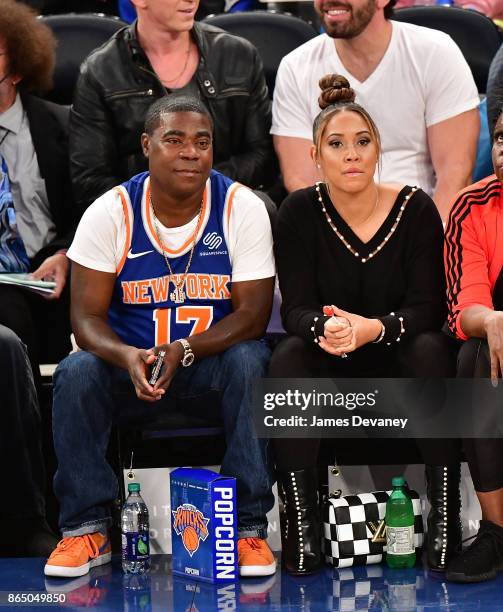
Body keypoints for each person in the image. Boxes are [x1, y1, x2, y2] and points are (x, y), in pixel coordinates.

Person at [44, 96, 277, 579]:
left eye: (202, 142)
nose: (191, 152)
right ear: (146, 145)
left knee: (252, 359)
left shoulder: (241, 206)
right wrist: (127, 355)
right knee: (76, 370)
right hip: (131, 373)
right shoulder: (111, 212)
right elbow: (85, 321)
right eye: (175, 140)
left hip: (205, 371)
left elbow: (253, 317)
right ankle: (86, 528)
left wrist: (186, 349)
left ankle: (247, 528)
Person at [270, 75, 458, 575]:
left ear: (378, 150)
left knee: (433, 349)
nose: (350, 154)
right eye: (336, 144)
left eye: (362, 142)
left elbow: (429, 307)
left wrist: (373, 328)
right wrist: (324, 330)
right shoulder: (297, 213)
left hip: (396, 353)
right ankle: (304, 530)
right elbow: (295, 309)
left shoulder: (414, 208)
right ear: (315, 156)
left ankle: (445, 521)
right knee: (287, 356)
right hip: (332, 360)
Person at [271, 0, 480, 220]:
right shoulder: (294, 67)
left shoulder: (436, 52)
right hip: (335, 231)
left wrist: (431, 239)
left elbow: (455, 173)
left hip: (420, 223)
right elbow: (301, 180)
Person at [70, 0, 276, 221]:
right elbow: (91, 181)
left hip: (226, 212)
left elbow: (262, 155)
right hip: (138, 220)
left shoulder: (238, 55)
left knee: (262, 206)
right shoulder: (100, 71)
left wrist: (199, 188)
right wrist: (163, 204)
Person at [0, 0, 74, 556]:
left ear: (18, 65)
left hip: (53, 267)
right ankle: (29, 514)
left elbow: (94, 209)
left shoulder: (58, 124)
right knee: (12, 326)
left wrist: (70, 254)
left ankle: (76, 510)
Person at [443, 110, 503, 583]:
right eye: (502, 139)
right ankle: (496, 531)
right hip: (500, 340)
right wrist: (492, 321)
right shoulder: (473, 207)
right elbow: (465, 306)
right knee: (475, 356)